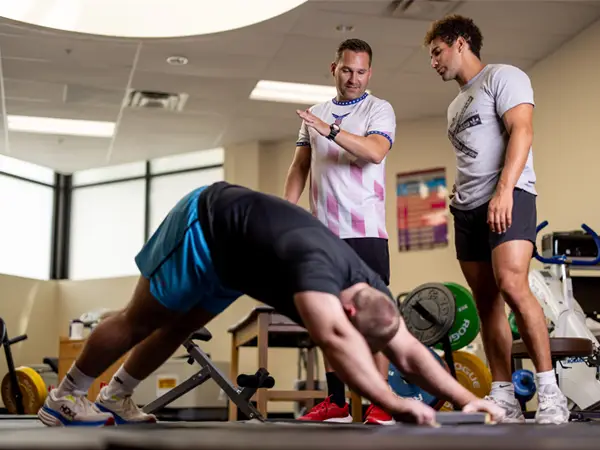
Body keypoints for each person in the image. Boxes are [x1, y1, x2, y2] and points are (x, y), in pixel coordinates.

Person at [38, 181, 503, 427]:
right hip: (205, 223)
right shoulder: (316, 274)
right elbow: (333, 339)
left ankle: (116, 397)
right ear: (349, 312)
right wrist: (395, 403)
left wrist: (468, 400)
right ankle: (66, 397)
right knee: (141, 320)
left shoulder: (371, 288)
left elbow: (408, 351)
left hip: (236, 261)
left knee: (178, 328)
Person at [423, 14, 569, 425]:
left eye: (437, 52)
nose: (434, 62)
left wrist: (504, 189)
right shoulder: (455, 105)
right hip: (467, 209)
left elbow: (522, 130)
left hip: (508, 196)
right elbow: (472, 154)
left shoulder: (503, 77)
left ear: (461, 43)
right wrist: (458, 193)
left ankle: (550, 391)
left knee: (512, 284)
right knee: (486, 302)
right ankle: (504, 395)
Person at [283, 38, 396, 425]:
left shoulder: (379, 109)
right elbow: (301, 165)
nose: (353, 78)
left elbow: (374, 151)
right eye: (347, 70)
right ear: (334, 69)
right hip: (324, 232)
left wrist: (329, 130)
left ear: (370, 72)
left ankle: (381, 401)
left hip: (366, 232)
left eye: (361, 72)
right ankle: (337, 402)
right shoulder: (313, 113)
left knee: (375, 319)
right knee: (326, 317)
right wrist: (287, 210)